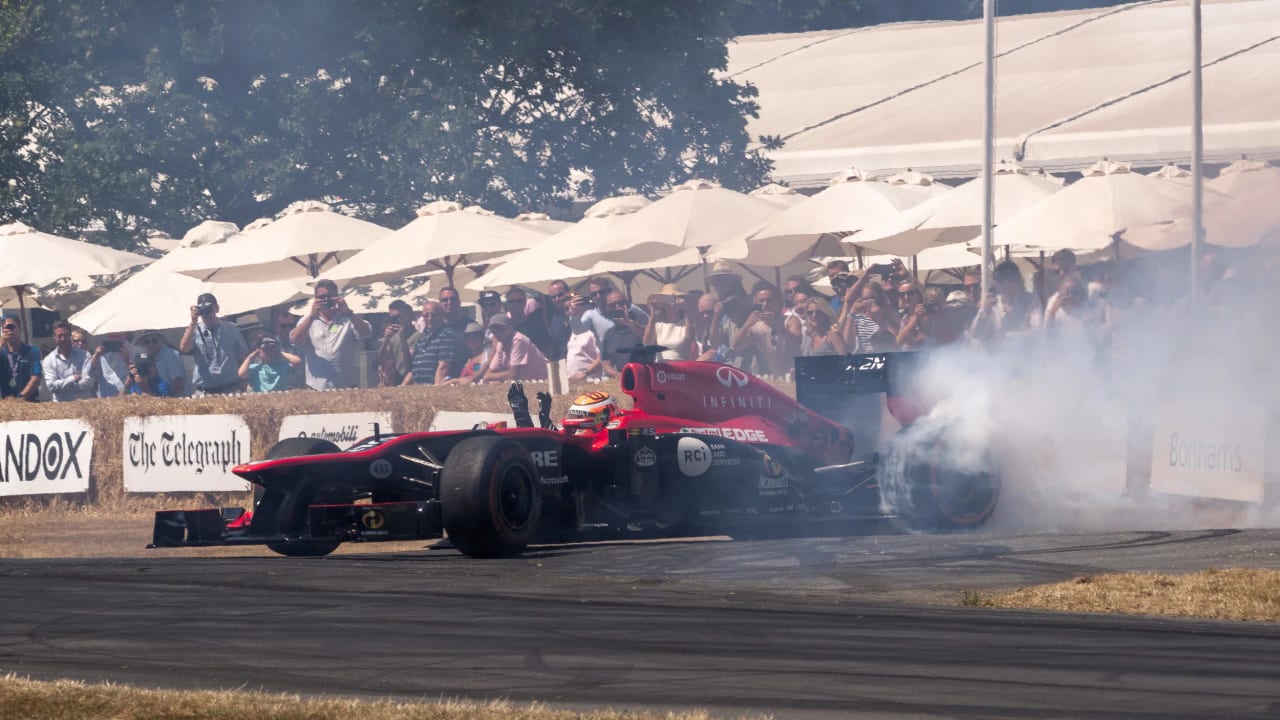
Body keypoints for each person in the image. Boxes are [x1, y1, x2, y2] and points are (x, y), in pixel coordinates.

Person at [289, 280, 372, 390]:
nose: (326, 300)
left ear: (337, 297)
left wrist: (349, 313)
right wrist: (311, 316)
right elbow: (295, 339)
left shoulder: (348, 318)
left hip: (345, 386)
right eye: (322, 297)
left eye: (330, 296)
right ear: (315, 299)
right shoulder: (307, 320)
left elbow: (366, 333)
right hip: (316, 387)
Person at [180, 292, 249, 395]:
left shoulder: (231, 328)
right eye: (203, 311)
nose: (206, 314)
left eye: (209, 309)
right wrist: (193, 322)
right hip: (204, 390)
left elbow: (242, 356)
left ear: (217, 309)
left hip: (230, 388)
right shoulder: (194, 330)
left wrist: (244, 382)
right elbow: (184, 348)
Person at [970, 260, 1043, 344]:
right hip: (996, 355)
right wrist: (983, 311)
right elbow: (975, 335)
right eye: (1004, 281)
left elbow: (1038, 332)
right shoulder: (992, 305)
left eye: (1014, 279)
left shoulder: (1030, 301)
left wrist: (1008, 337)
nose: (1013, 283)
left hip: (1025, 353)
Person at [730, 284, 796, 377]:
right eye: (761, 301)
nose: (765, 304)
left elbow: (797, 341)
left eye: (769, 300)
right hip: (768, 377)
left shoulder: (790, 320)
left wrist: (777, 325)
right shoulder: (754, 326)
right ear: (756, 302)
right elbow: (736, 346)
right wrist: (746, 325)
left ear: (777, 302)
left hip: (790, 374)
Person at [481, 314, 548, 383]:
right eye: (495, 331)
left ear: (511, 327)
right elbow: (490, 371)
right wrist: (490, 376)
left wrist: (490, 377)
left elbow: (512, 375)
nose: (499, 333)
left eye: (502, 329)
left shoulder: (518, 340)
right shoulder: (500, 345)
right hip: (529, 384)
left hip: (544, 382)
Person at [407, 300, 457, 385]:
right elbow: (414, 368)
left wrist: (436, 390)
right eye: (426, 316)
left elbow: (443, 367)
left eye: (433, 315)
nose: (429, 318)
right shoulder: (422, 337)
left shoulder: (446, 335)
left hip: (434, 386)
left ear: (441, 315)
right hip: (418, 387)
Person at [42, 320, 94, 402]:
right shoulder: (48, 360)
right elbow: (51, 387)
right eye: (60, 336)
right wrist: (73, 379)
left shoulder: (85, 355)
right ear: (54, 337)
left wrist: (62, 386)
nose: (63, 339)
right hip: (61, 408)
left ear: (70, 336)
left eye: (65, 335)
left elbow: (88, 382)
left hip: (83, 407)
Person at [643, 284, 694, 360]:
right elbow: (647, 343)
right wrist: (653, 318)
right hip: (661, 368)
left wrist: (686, 310)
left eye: (674, 299)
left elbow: (689, 338)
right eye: (666, 299)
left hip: (681, 366)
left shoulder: (686, 323)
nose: (671, 303)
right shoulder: (658, 325)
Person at [599, 290, 644, 377]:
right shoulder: (609, 334)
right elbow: (607, 364)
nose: (617, 307)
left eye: (621, 303)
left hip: (647, 378)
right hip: (626, 382)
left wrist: (630, 324)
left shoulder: (641, 321)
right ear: (607, 309)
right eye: (612, 305)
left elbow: (650, 338)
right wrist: (621, 376)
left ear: (628, 304)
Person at [238, 335, 302, 392]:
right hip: (261, 399)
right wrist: (251, 356)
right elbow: (241, 374)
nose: (269, 352)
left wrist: (279, 353)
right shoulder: (255, 368)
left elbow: (298, 362)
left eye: (272, 349)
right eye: (265, 349)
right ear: (258, 351)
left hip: (280, 399)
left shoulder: (282, 365)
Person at [504, 286, 554, 358]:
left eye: (519, 301)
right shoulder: (503, 328)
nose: (515, 304)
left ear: (525, 302)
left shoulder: (536, 326)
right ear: (507, 304)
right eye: (511, 301)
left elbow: (547, 351)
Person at [0, 316, 41, 402]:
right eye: (7, 328)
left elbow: (36, 378)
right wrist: (1, 343)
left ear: (20, 330)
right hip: (6, 402)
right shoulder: (2, 353)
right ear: (3, 331)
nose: (10, 330)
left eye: (13, 327)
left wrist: (20, 398)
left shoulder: (32, 351)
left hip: (29, 401)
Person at [136, 329, 186, 397]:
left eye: (154, 340)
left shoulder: (171, 355)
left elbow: (178, 385)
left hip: (175, 401)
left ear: (161, 340)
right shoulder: (146, 357)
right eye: (147, 342)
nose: (151, 344)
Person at [564, 293, 603, 381]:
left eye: (573, 306)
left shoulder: (593, 329)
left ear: (583, 307)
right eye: (567, 308)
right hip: (574, 382)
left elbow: (603, 357)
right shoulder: (574, 331)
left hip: (591, 380)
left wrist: (584, 373)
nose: (570, 310)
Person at [376, 300, 414, 387]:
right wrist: (386, 340)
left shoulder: (418, 336)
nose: (398, 320)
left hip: (410, 380)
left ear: (410, 315)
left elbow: (409, 364)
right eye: (393, 318)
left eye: (400, 316)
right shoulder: (393, 338)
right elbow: (381, 359)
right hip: (394, 380)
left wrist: (403, 337)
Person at [89, 330, 132, 398]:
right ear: (108, 335)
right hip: (106, 398)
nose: (115, 339)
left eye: (118, 336)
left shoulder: (135, 351)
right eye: (112, 336)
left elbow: (138, 375)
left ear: (125, 333)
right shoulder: (102, 352)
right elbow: (91, 374)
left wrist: (127, 360)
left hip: (128, 397)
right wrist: (97, 355)